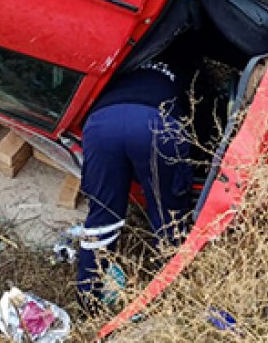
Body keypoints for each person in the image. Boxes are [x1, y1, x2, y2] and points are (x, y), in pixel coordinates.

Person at [75, 57, 195, 306]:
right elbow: (200, 119)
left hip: (101, 123)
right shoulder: (190, 67)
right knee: (168, 218)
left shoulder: (130, 55)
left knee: (102, 219)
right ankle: (167, 298)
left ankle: (87, 298)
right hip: (156, 124)